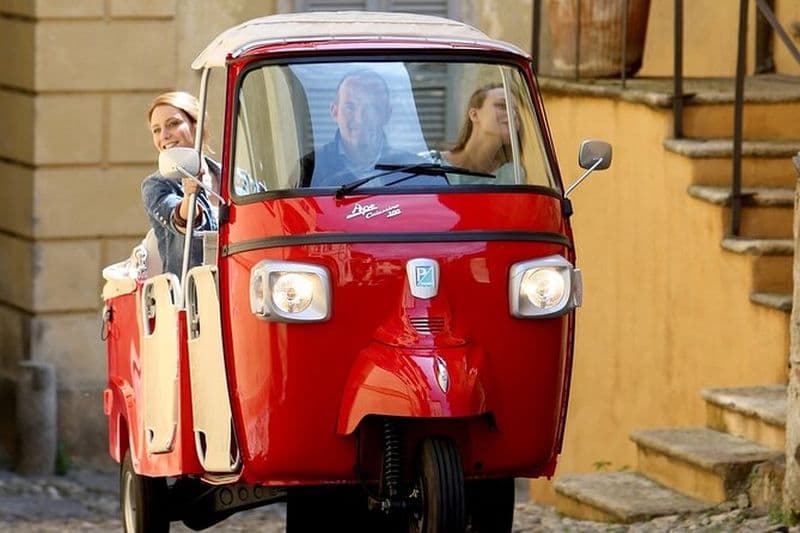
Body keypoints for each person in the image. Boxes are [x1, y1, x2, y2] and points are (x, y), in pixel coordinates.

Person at [141, 91, 219, 278]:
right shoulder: (156, 185)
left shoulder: (236, 178)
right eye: (156, 130)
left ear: (197, 125)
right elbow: (180, 221)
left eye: (173, 124)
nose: (164, 135)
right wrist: (189, 196)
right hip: (192, 291)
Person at [299, 69, 416, 187]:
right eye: (350, 107)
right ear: (334, 112)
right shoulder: (309, 169)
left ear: (387, 115)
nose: (360, 119)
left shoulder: (414, 170)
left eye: (371, 108)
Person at [432, 83, 517, 181]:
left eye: (517, 111)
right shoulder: (428, 163)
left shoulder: (514, 176)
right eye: (502, 106)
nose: (513, 114)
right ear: (474, 115)